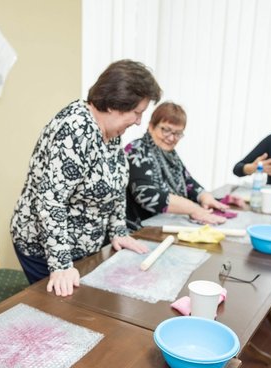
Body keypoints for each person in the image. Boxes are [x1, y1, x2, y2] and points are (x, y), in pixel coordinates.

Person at [10, 60, 162, 297]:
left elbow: (116, 184)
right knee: (65, 311)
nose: (139, 122)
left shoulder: (111, 132)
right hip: (45, 248)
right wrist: (61, 265)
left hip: (83, 246)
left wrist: (118, 231)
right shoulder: (76, 128)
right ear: (114, 105)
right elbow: (50, 201)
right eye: (137, 113)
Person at [125, 101, 229, 227]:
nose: (171, 138)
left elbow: (188, 182)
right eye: (166, 130)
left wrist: (205, 197)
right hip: (140, 228)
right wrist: (193, 208)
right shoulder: (135, 150)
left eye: (178, 133)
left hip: (164, 223)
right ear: (151, 126)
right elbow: (147, 195)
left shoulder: (170, 154)